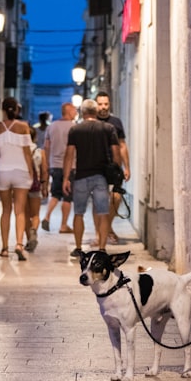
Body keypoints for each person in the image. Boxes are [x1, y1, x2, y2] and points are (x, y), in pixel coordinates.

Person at [63, 99, 121, 257]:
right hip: (101, 176)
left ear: (82, 112)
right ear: (96, 112)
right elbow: (116, 152)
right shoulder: (108, 128)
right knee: (103, 213)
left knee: (79, 213)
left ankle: (78, 247)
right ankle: (102, 248)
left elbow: (69, 155)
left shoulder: (75, 130)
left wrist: (66, 178)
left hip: (81, 175)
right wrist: (117, 174)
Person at [0, 97, 35, 261]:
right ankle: (19, 244)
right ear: (16, 110)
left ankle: (4, 247)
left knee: (5, 210)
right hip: (20, 170)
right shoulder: (23, 127)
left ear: (2, 110)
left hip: (3, 170)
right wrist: (31, 172)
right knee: (20, 211)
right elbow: (27, 152)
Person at [95, 91, 131, 244]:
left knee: (116, 198)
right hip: (96, 166)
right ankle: (100, 234)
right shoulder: (92, 121)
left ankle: (107, 228)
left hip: (114, 167)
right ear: (96, 105)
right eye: (100, 104)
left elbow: (122, 145)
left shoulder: (116, 122)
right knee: (99, 200)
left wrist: (127, 166)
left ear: (109, 104)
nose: (103, 107)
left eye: (106, 104)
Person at [41, 102, 77, 234]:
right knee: (67, 196)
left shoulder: (51, 127)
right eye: (74, 111)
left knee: (55, 194)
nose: (75, 113)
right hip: (71, 166)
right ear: (68, 112)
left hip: (55, 165)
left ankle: (46, 216)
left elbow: (46, 147)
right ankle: (63, 225)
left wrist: (47, 164)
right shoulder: (74, 127)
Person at [24, 125, 48, 251]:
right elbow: (44, 171)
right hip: (35, 186)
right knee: (35, 215)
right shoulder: (40, 152)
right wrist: (44, 186)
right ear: (35, 137)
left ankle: (29, 239)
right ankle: (34, 230)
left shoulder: (20, 150)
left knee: (24, 214)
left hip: (21, 186)